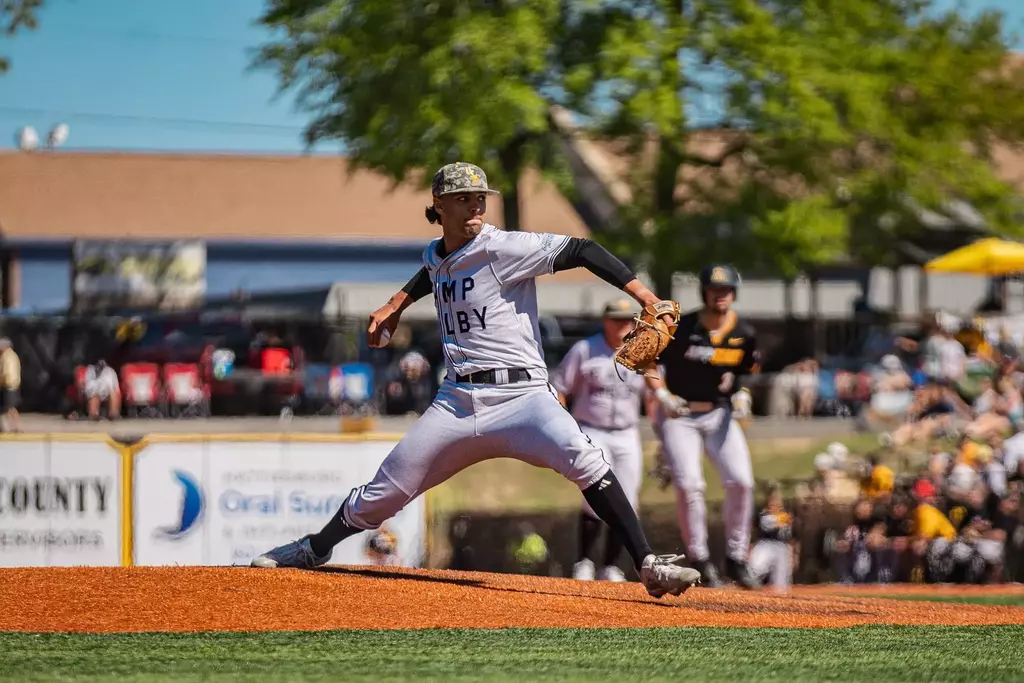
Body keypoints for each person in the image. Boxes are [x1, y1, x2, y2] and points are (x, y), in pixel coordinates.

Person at [250, 162, 701, 598]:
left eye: (480, 198)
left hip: (524, 396)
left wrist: (646, 297)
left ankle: (647, 563)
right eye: (463, 198)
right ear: (438, 204)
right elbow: (434, 269)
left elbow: (582, 249)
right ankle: (315, 547)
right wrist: (395, 304)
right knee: (384, 493)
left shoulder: (503, 247)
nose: (475, 207)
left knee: (588, 463)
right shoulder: (436, 253)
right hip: (458, 399)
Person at [644, 263, 761, 589]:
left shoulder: (745, 332)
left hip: (719, 414)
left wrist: (743, 395)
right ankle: (699, 558)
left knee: (742, 482)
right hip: (680, 415)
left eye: (725, 290)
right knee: (690, 486)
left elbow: (747, 372)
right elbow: (648, 361)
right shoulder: (682, 327)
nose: (720, 296)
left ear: (734, 293)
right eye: (714, 290)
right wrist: (662, 395)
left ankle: (737, 558)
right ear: (704, 293)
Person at [552, 298, 653, 583]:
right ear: (605, 321)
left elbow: (653, 395)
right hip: (591, 429)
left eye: (627, 319)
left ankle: (610, 565)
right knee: (594, 494)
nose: (622, 324)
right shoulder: (585, 349)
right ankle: (584, 560)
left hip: (626, 432)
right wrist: (565, 425)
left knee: (628, 500)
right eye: (616, 318)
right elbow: (560, 388)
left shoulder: (642, 352)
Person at [0, 338, 21, 433]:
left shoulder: (6, 356)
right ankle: (14, 427)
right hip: (14, 385)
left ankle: (15, 427)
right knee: (11, 408)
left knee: (10, 408)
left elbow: (5, 373)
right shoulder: (13, 355)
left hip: (8, 385)